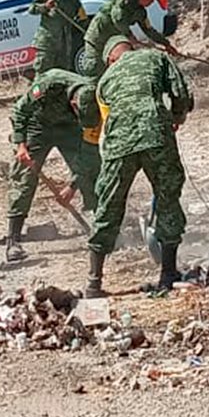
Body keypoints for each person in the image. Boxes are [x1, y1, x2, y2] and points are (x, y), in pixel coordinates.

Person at [85, 37, 193, 298]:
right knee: (168, 198)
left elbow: (104, 117)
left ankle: (93, 283)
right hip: (155, 133)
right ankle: (168, 274)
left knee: (108, 205)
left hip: (118, 143)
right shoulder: (155, 57)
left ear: (111, 58)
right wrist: (177, 116)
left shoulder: (105, 80)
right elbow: (181, 93)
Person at [5, 69, 101, 262]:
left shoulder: (94, 99)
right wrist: (21, 144)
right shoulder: (50, 84)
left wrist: (72, 186)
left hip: (69, 130)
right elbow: (20, 111)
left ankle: (98, 227)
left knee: (91, 174)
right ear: (74, 104)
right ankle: (13, 240)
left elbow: (89, 155)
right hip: (37, 125)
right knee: (24, 177)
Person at [80, 0, 174, 78]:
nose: (152, 1)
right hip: (98, 36)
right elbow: (118, 19)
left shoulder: (141, 12)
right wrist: (130, 36)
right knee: (94, 67)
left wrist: (166, 44)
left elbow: (149, 30)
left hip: (112, 42)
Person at [29, 0, 87, 73]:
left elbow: (83, 20)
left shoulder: (74, 1)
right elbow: (32, 9)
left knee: (61, 77)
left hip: (64, 48)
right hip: (47, 43)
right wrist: (45, 7)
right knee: (42, 74)